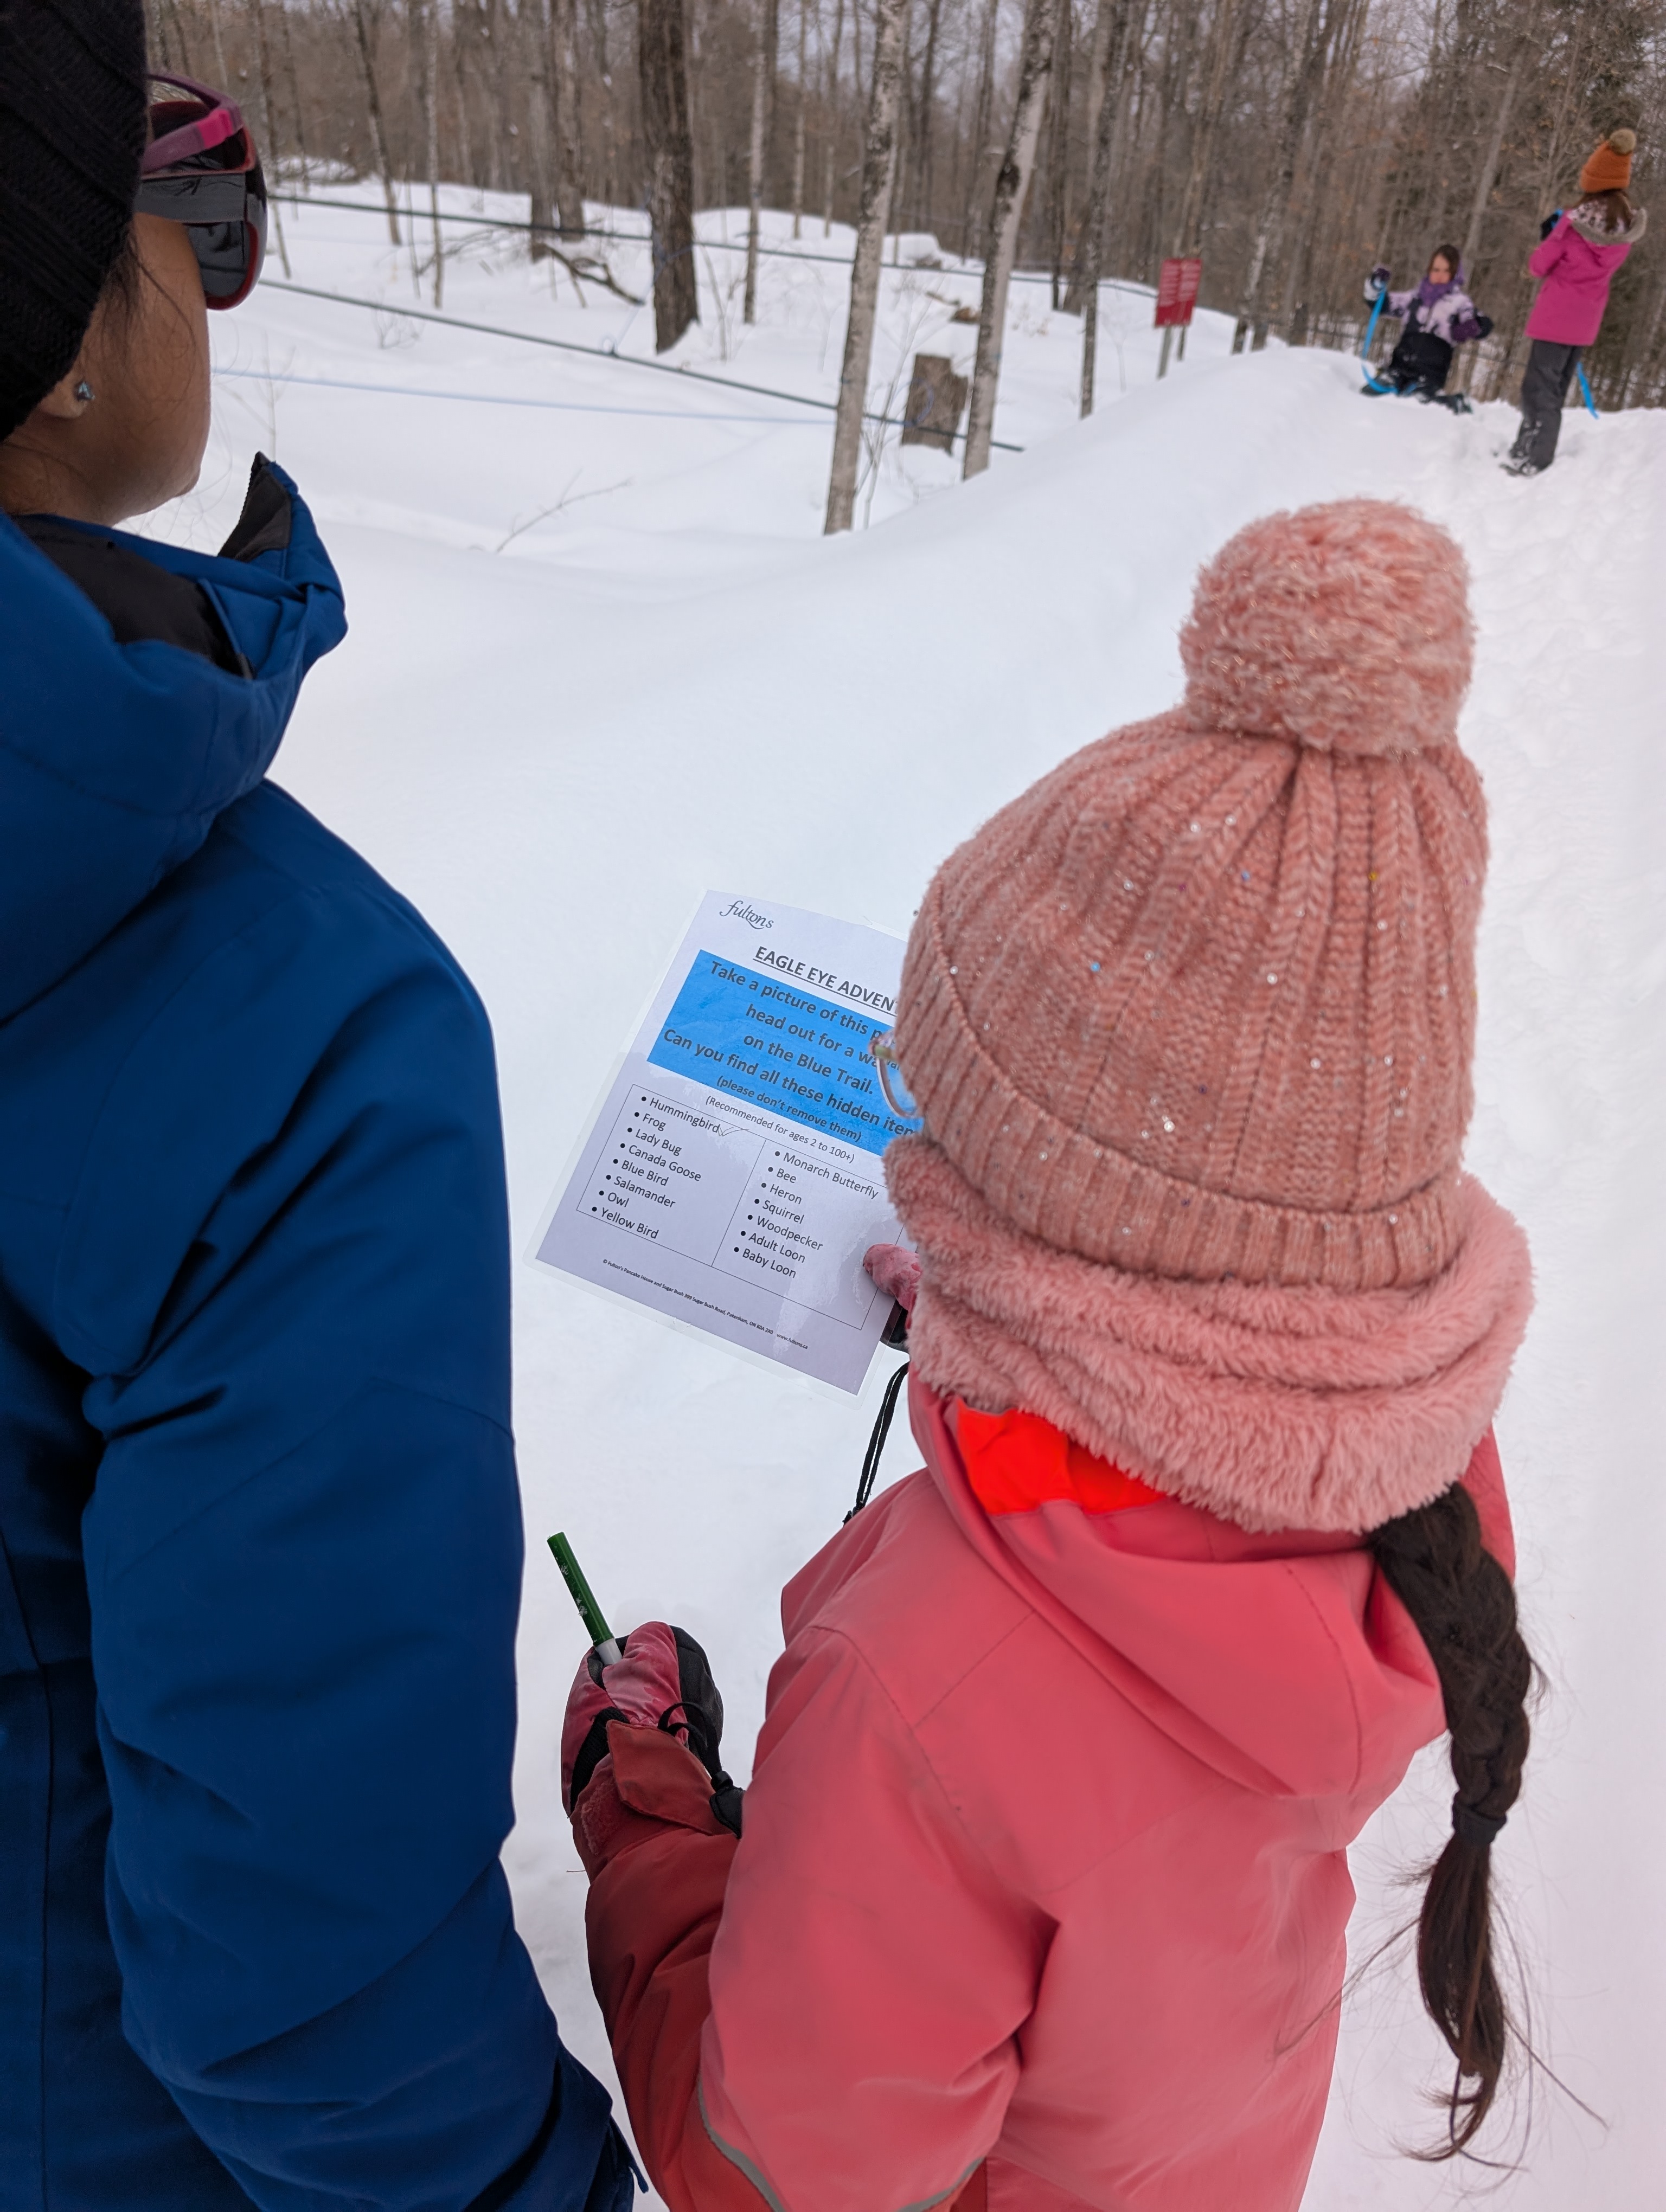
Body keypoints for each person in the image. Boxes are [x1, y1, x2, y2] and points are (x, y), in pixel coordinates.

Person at [558, 499, 1539, 2211]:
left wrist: (641, 1816)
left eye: (937, 1113)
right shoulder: (1417, 1485)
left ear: (1061, 1219)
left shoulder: (919, 1683)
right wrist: (1011, 1338)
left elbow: (780, 2180)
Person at [0, 7, 630, 2207]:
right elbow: (301, 1975)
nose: (213, 264)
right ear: (69, 343)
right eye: (189, 202)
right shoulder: (288, 1034)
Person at [1505, 128, 1648, 477]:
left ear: (1593, 181)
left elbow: (1539, 265)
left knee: (1538, 389)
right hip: (1584, 325)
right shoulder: (1623, 231)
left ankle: (1532, 459)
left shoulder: (1573, 225)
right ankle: (1526, 450)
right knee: (1554, 388)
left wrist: (1551, 233)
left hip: (1555, 320)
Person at [1361, 243, 1492, 409]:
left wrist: (1475, 326)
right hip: (1399, 367)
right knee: (1370, 394)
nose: (1439, 275)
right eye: (1436, 269)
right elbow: (1380, 305)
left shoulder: (1460, 303)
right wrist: (1376, 285)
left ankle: (1455, 404)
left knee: (1417, 406)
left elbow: (1482, 325)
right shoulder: (1415, 298)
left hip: (1431, 373)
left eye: (1446, 271)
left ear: (1455, 274)